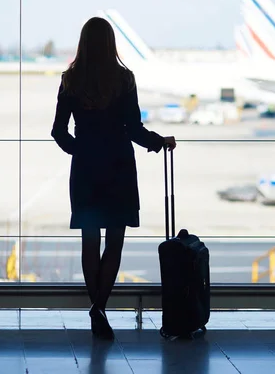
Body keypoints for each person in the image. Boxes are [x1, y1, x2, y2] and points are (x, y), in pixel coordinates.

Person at [51, 17, 176, 340]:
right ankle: (99, 309)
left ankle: (97, 310)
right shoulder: (124, 79)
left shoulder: (70, 80)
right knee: (114, 242)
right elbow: (133, 129)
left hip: (86, 170)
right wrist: (158, 141)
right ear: (111, 43)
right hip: (118, 167)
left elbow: (58, 131)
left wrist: (79, 151)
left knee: (89, 243)